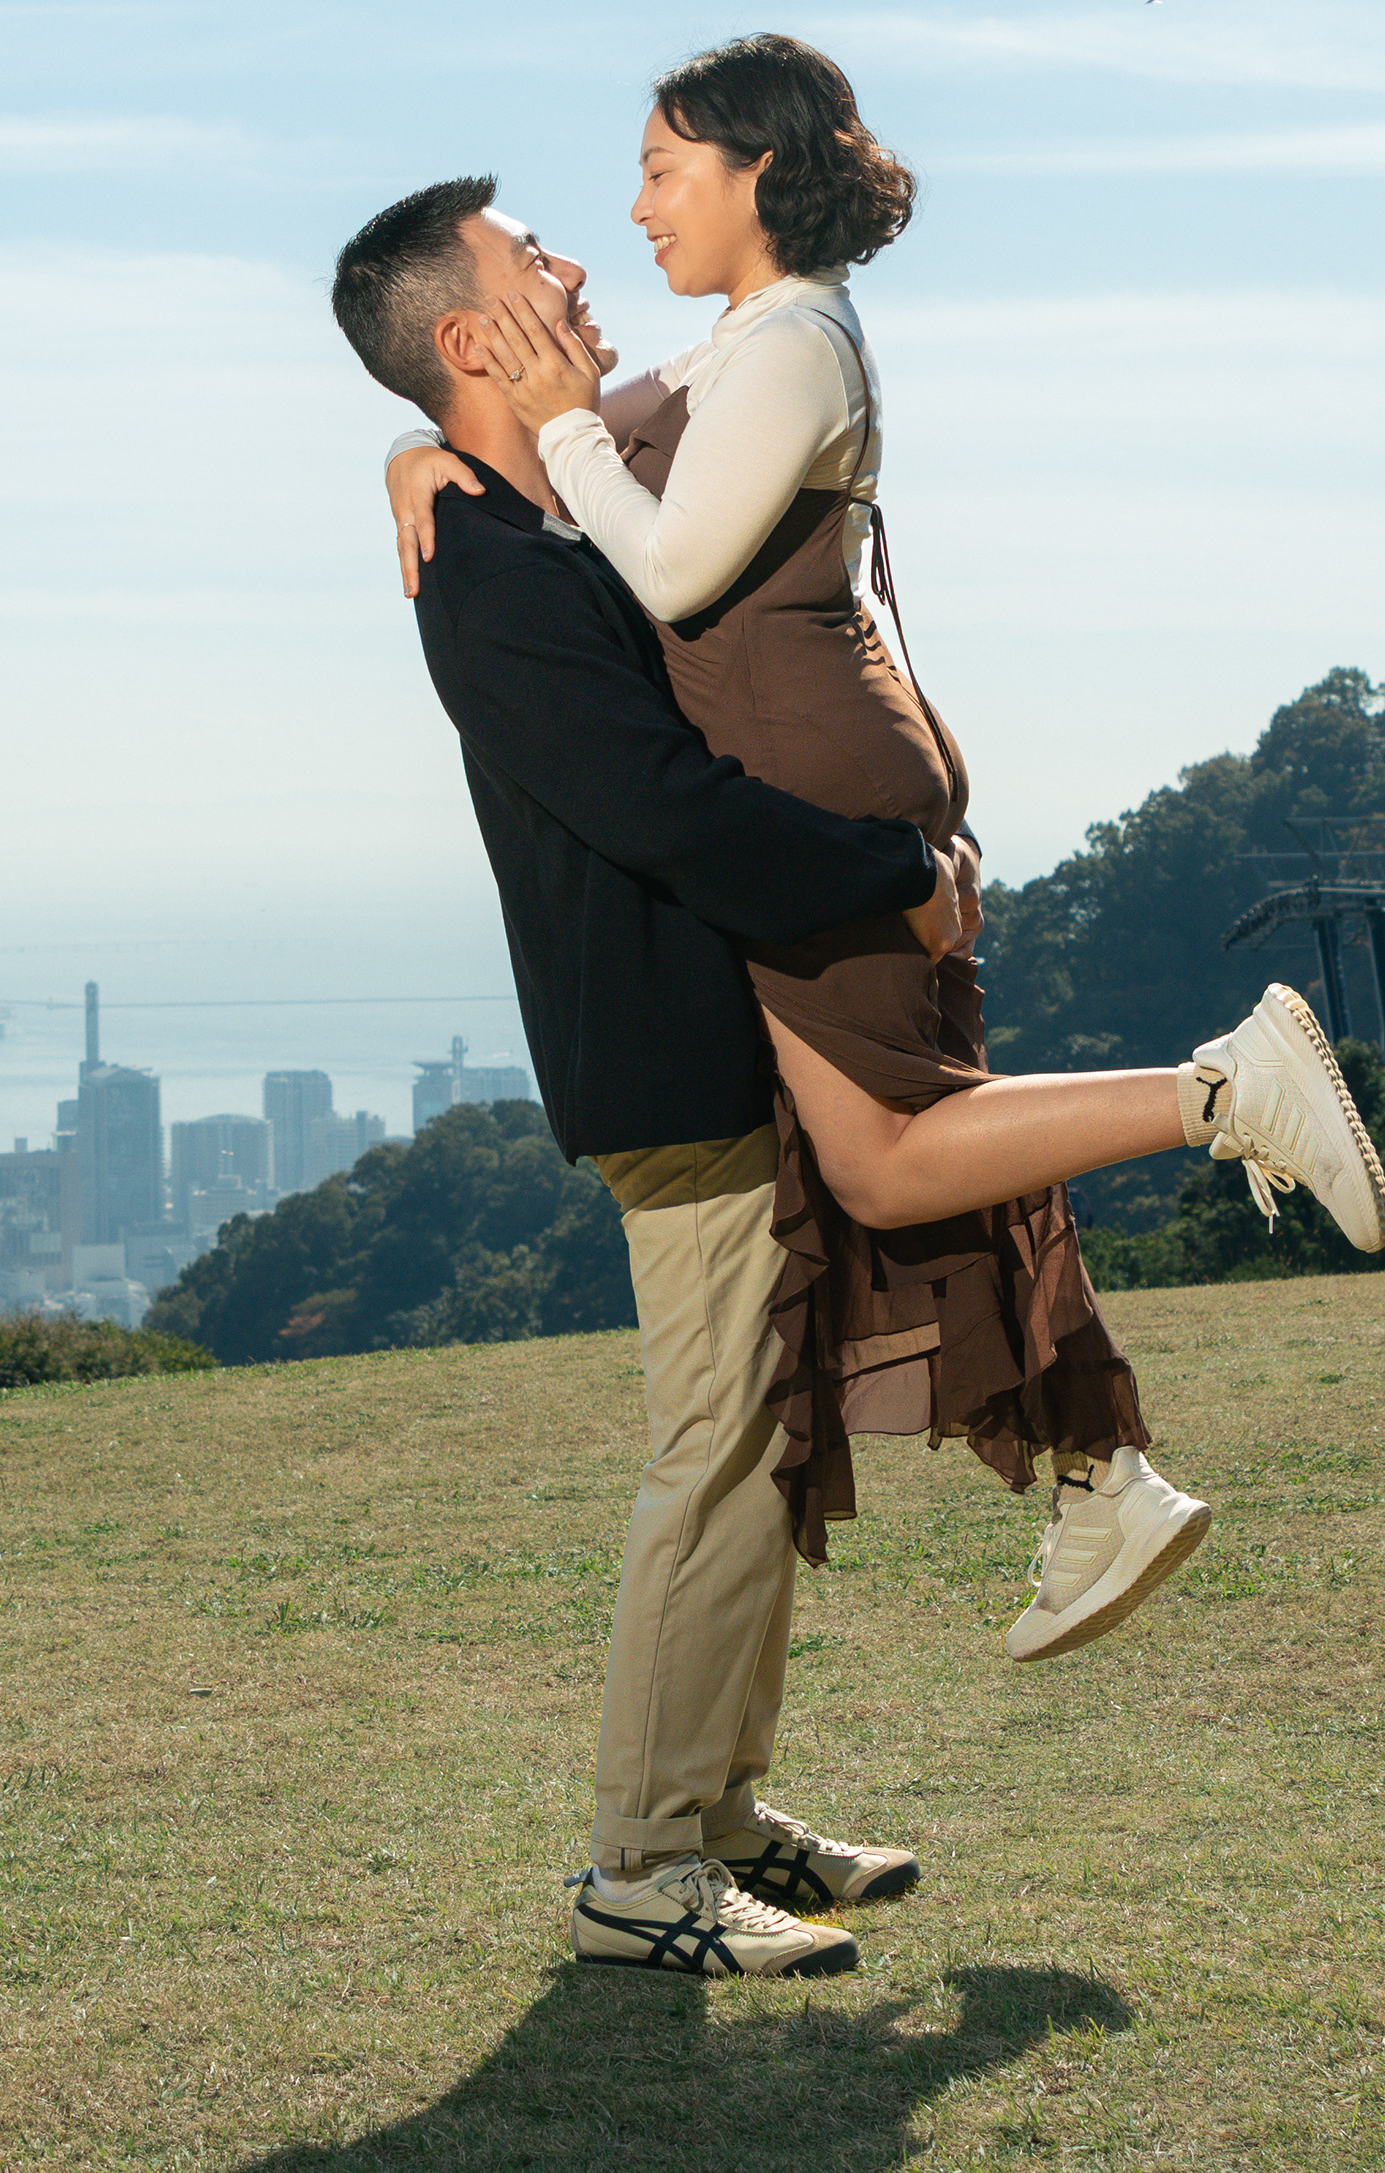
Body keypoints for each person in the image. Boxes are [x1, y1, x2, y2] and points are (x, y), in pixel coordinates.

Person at [379, 37, 1384, 1606]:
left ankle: (1221, 1088)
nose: (634, 210)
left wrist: (556, 426)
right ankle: (1099, 1469)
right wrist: (418, 449)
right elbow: (556, 467)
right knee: (941, 1131)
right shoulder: (746, 342)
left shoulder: (792, 345)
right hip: (810, 754)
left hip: (807, 768)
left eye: (661, 170)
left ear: (757, 173)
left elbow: (657, 556)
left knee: (890, 1160)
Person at [336, 173, 968, 1981]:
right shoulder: (488, 569)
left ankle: (716, 1809)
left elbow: (740, 388)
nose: (578, 263)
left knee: (760, 1445)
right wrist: (893, 880)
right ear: (473, 337)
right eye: (532, 259)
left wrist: (413, 450)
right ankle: (641, 1865)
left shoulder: (546, 516)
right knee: (715, 1455)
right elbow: (665, 808)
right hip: (669, 1067)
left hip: (722, 1046)